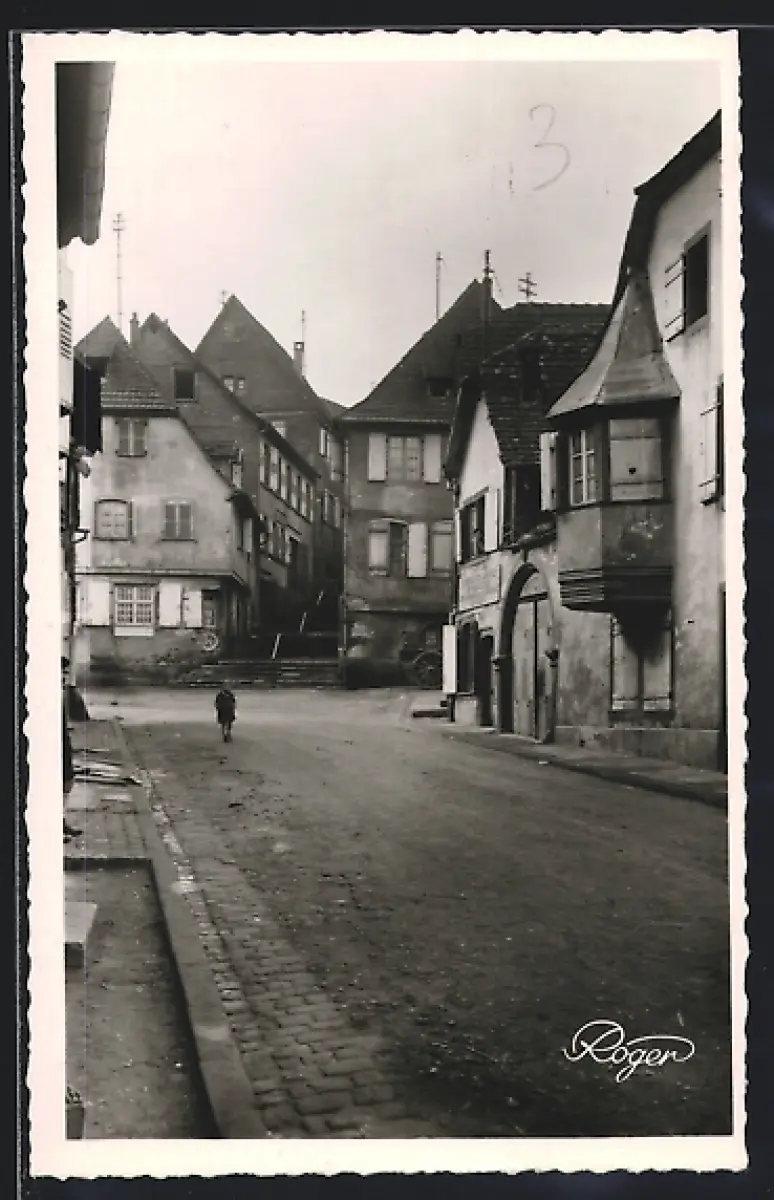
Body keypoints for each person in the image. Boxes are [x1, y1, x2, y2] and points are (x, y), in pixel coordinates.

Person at [62, 658, 81, 842]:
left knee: (67, 782)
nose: (64, 677)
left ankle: (60, 821)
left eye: (66, 673)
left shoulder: (61, 694)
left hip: (62, 742)